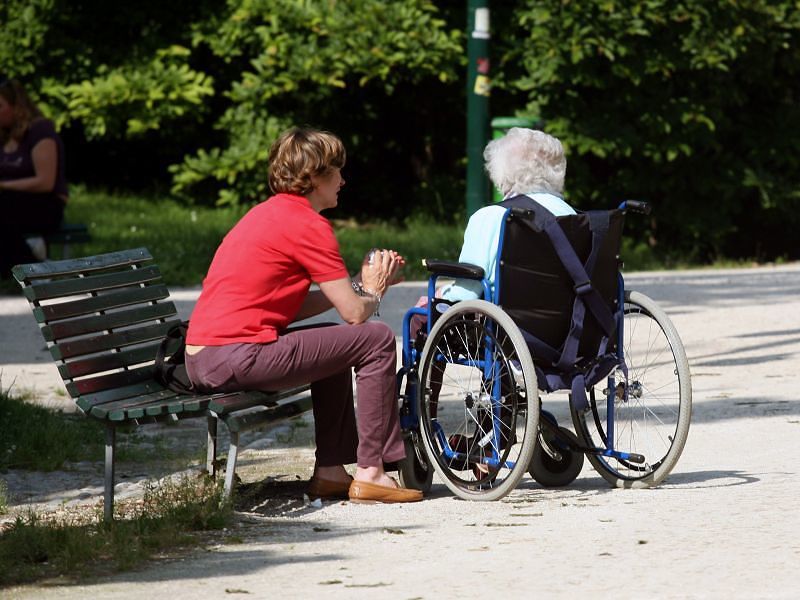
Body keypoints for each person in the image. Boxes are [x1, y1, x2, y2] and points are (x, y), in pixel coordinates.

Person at [185, 127, 422, 504]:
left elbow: (298, 305)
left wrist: (359, 286)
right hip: (234, 356)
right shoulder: (309, 225)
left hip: (205, 357)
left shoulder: (266, 215)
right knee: (375, 339)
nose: (343, 180)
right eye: (336, 171)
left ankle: (330, 470)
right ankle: (372, 471)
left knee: (335, 339)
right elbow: (356, 315)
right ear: (313, 177)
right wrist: (374, 289)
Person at [0, 75, 69, 278]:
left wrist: (4, 185)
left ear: (17, 106)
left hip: (45, 204)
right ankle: (31, 264)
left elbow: (46, 182)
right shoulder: (3, 135)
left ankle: (34, 268)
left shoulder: (40, 131)